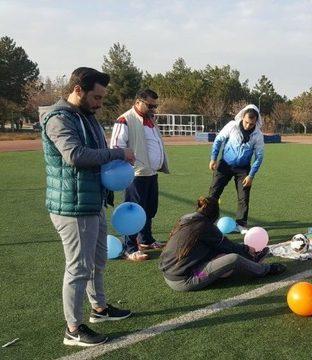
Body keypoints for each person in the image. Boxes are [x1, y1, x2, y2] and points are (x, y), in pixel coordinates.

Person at [40, 67, 135, 346]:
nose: (100, 103)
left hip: (92, 201)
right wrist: (119, 153)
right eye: (96, 96)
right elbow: (75, 155)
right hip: (72, 207)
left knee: (98, 261)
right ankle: (73, 328)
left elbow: (97, 158)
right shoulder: (58, 119)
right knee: (79, 267)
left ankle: (100, 309)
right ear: (78, 90)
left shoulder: (87, 116)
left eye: (102, 98)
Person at [160, 196, 286, 291]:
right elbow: (228, 246)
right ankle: (265, 269)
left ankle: (251, 260)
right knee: (233, 258)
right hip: (188, 278)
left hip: (171, 274)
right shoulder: (205, 227)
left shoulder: (186, 220)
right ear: (215, 215)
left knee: (218, 251)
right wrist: (247, 248)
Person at [110, 89, 169, 261]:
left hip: (150, 173)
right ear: (138, 102)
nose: (153, 109)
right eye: (150, 105)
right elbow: (116, 147)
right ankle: (129, 247)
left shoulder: (150, 120)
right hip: (134, 174)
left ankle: (146, 240)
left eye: (155, 106)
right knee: (133, 211)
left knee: (149, 209)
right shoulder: (125, 119)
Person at [209, 105, 265, 234]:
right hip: (224, 165)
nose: (247, 126)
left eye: (251, 124)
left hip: (243, 170)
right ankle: (207, 221)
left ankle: (241, 223)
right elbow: (218, 140)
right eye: (246, 122)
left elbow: (259, 157)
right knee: (214, 193)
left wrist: (251, 175)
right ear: (242, 117)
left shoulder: (258, 135)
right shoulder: (232, 126)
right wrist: (213, 158)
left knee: (243, 197)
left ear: (256, 122)